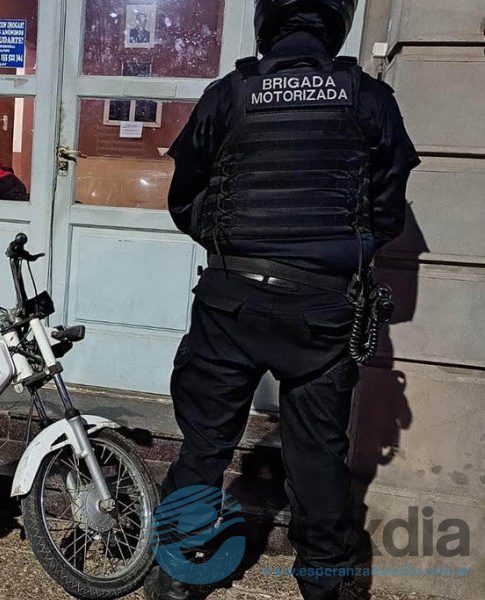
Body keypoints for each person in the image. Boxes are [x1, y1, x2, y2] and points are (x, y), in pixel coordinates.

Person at [146, 1, 420, 599]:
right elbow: (388, 211)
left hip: (231, 303)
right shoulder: (368, 98)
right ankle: (324, 589)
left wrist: (236, 248)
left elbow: (185, 197)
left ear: (267, 19)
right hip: (323, 313)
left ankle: (173, 579)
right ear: (336, 20)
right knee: (318, 459)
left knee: (204, 449)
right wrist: (333, 254)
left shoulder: (230, 94)